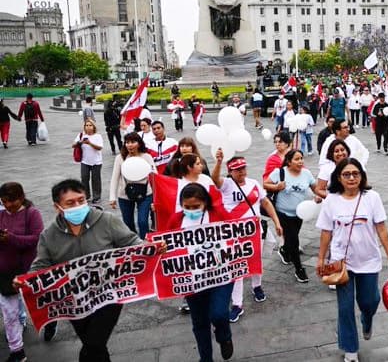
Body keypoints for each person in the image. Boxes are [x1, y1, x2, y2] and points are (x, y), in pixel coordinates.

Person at [20, 179, 157, 362]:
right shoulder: (49, 235)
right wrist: (26, 280)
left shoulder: (107, 221)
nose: (77, 205)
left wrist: (151, 247)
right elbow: (41, 265)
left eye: (81, 200)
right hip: (76, 302)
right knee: (95, 346)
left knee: (93, 344)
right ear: (57, 206)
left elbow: (132, 243)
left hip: (109, 295)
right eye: (70, 203)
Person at [315, 158, 388, 362]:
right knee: (345, 307)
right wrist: (320, 259)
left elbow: (381, 228)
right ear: (339, 177)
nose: (352, 178)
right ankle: (350, 349)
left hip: (368, 260)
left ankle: (367, 318)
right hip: (341, 262)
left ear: (362, 176)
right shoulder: (331, 200)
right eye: (346, 174)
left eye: (356, 174)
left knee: (369, 301)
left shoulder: (372, 198)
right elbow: (326, 232)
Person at [212, 155, 282, 323]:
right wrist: (219, 162)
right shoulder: (227, 184)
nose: (242, 172)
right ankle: (237, 304)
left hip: (255, 231)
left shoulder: (254, 183)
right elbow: (215, 179)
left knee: (256, 262)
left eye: (243, 168)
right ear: (231, 171)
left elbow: (265, 203)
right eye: (238, 169)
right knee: (238, 268)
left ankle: (257, 286)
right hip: (234, 234)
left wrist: (276, 221)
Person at [169, 183, 235, 361]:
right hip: (192, 280)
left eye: (196, 207)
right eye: (187, 207)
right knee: (199, 322)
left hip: (221, 275)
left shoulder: (218, 214)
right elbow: (168, 245)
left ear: (205, 203)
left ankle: (224, 337)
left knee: (219, 313)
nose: (191, 210)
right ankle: (205, 358)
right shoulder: (175, 220)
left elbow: (236, 234)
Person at [0, 182, 44, 362]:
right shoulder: (1, 214)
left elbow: (36, 239)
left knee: (39, 300)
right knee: (8, 312)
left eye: (12, 201)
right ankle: (17, 350)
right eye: (4, 201)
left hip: (27, 268)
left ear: (21, 197)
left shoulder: (32, 214)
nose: (8, 205)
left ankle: (48, 321)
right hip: (4, 270)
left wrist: (11, 238)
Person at [264, 150, 322, 283]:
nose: (300, 161)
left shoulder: (306, 173)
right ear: (289, 162)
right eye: (297, 159)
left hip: (299, 213)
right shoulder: (280, 172)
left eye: (301, 158)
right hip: (282, 212)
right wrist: (276, 186)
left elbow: (315, 188)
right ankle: (299, 269)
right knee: (294, 241)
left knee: (292, 238)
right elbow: (265, 184)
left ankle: (284, 250)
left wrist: (318, 195)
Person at [109, 133, 156, 239]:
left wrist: (156, 199)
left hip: (145, 193)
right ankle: (134, 242)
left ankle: (145, 242)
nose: (129, 145)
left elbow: (155, 176)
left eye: (133, 142)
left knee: (143, 221)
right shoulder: (120, 158)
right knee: (127, 223)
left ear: (139, 144)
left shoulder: (146, 157)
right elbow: (115, 178)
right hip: (125, 195)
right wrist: (112, 197)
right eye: (127, 142)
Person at [73, 119, 104, 204]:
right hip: (85, 161)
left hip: (96, 162)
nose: (88, 127)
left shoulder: (98, 136)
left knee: (96, 179)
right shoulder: (81, 135)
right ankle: (86, 195)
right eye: (86, 125)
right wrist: (80, 142)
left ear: (94, 127)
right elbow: (73, 145)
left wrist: (89, 143)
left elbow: (100, 147)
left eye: (90, 125)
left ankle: (97, 196)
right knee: (84, 178)